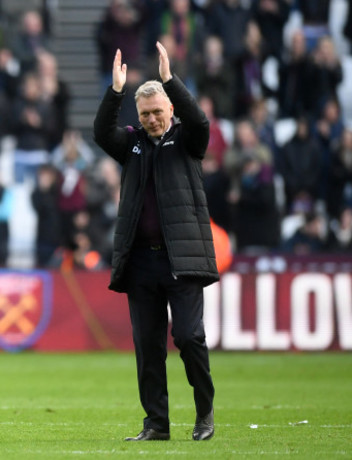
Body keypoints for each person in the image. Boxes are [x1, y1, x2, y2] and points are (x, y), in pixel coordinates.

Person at [93, 42, 218, 442]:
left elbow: (200, 120)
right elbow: (101, 133)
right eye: (144, 114)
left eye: (157, 112)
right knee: (148, 347)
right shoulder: (130, 145)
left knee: (187, 336)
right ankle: (156, 424)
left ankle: (204, 413)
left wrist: (170, 80)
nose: (150, 120)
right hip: (141, 263)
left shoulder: (188, 141)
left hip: (181, 259)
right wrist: (115, 92)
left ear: (170, 111)